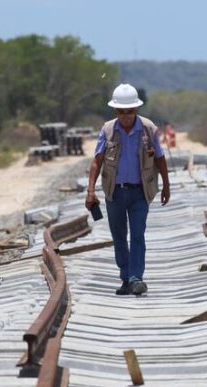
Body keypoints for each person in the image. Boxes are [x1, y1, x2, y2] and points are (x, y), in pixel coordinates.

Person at [85, 84, 170, 296]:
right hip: (115, 192)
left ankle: (136, 278)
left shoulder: (149, 129)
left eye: (130, 111)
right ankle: (126, 277)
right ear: (115, 111)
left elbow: (160, 158)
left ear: (136, 110)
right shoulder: (107, 130)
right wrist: (90, 190)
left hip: (140, 193)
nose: (125, 116)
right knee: (119, 236)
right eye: (121, 112)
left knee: (138, 234)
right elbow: (97, 161)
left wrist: (166, 186)